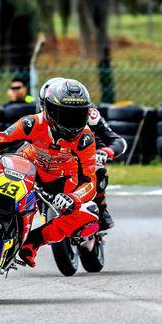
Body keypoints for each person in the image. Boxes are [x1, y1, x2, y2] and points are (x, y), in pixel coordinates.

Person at [0, 78, 99, 267]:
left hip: (63, 180)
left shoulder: (85, 139)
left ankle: (33, 242)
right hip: (29, 166)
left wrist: (74, 197)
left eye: (78, 115)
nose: (72, 122)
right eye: (66, 114)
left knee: (89, 214)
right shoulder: (32, 123)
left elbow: (89, 181)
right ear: (49, 110)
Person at [37, 78, 126, 229]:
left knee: (97, 169)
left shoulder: (90, 115)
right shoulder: (37, 119)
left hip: (86, 154)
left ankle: (101, 208)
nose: (70, 116)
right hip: (55, 157)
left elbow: (118, 141)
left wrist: (104, 152)